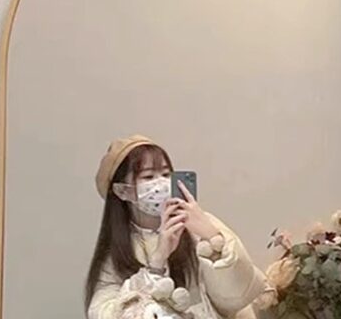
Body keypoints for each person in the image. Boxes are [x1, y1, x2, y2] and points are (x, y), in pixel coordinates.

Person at [86, 135, 267, 319]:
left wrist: (212, 238)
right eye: (148, 176)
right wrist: (157, 262)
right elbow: (104, 312)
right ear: (122, 191)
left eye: (166, 174)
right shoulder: (118, 251)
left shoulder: (199, 223)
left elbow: (238, 296)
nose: (161, 183)